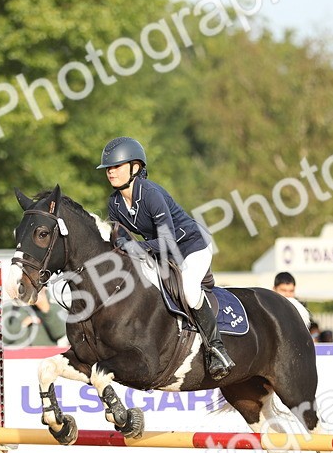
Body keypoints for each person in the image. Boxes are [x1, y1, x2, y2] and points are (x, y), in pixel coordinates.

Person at [100, 136, 235, 380]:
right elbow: (123, 241)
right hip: (160, 252)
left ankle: (217, 349)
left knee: (189, 290)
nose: (110, 172)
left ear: (135, 167)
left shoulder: (150, 194)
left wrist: (134, 247)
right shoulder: (115, 203)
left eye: (116, 166)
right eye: (108, 168)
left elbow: (167, 241)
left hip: (191, 246)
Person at [3, 287, 68, 348]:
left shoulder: (55, 308)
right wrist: (22, 325)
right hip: (19, 354)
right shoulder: (11, 309)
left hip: (45, 354)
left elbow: (59, 334)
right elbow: (3, 339)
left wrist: (45, 308)